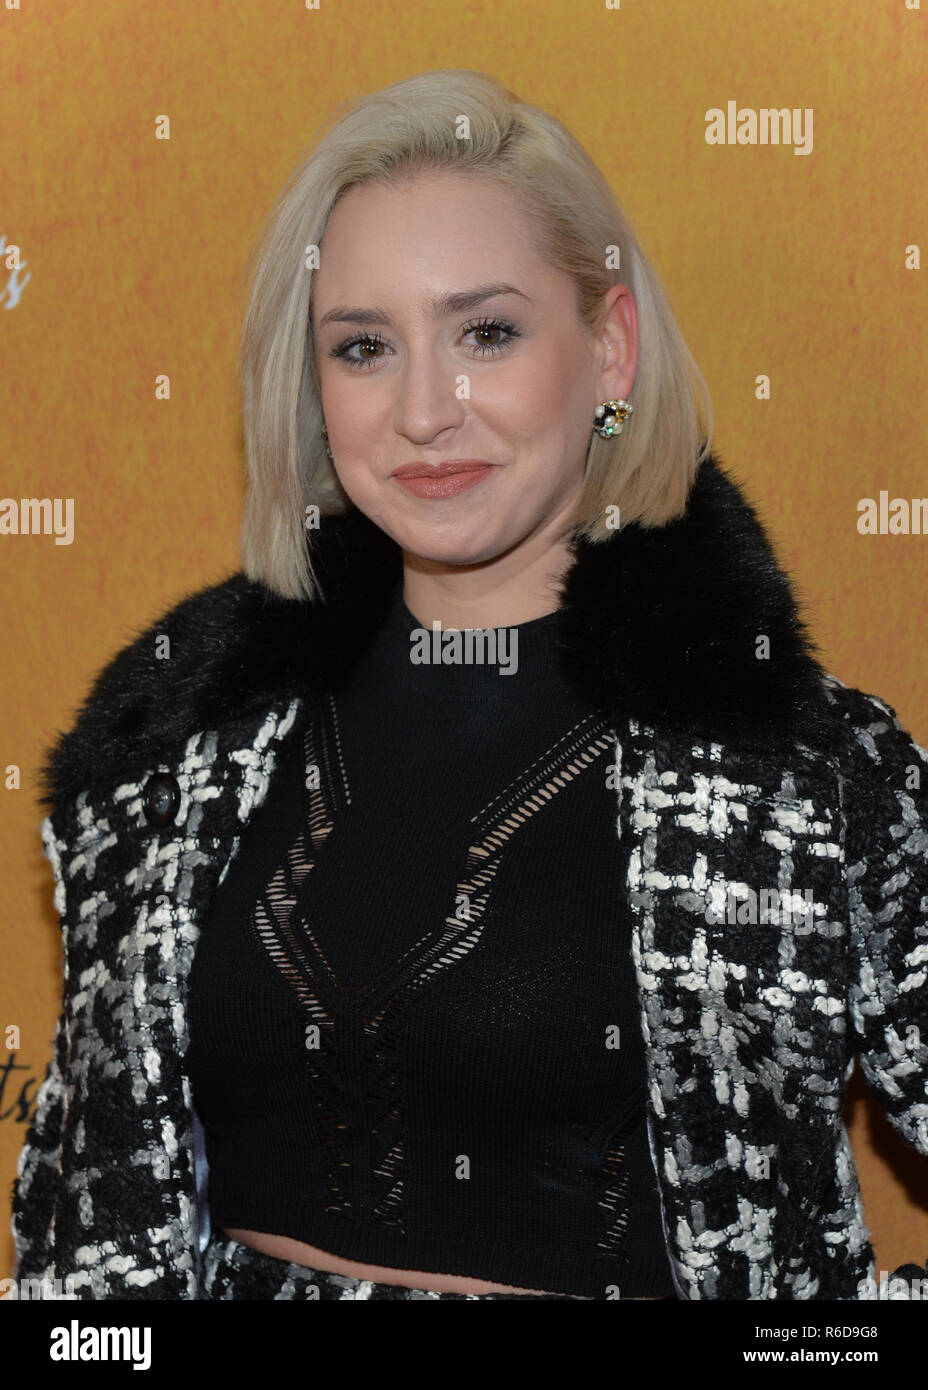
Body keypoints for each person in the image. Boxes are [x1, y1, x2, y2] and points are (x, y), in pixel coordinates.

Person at [10, 68, 928, 1302]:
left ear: (608, 350)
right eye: (364, 347)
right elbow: (83, 1237)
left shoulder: (807, 776)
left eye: (484, 331)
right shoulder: (172, 753)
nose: (423, 411)